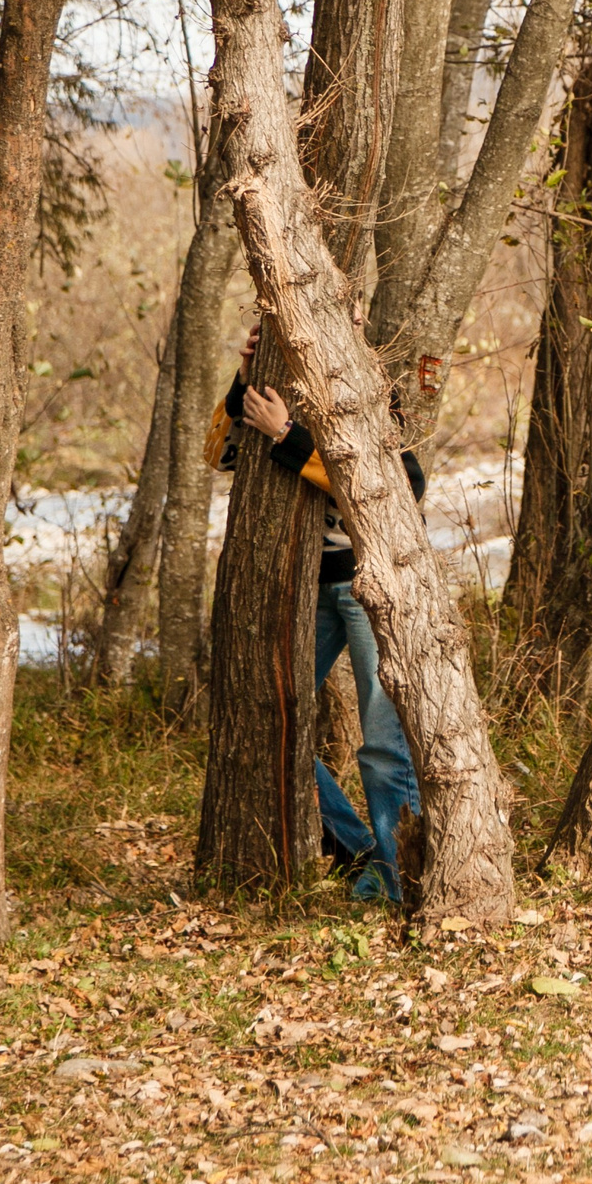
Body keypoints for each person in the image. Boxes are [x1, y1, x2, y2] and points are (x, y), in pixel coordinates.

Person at [210, 325, 424, 905]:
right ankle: (360, 851)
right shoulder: (275, 386)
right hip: (303, 588)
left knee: (383, 742)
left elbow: (400, 483)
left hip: (371, 584)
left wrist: (287, 436)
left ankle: (397, 874)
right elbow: (219, 454)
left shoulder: (369, 390)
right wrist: (245, 382)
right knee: (265, 721)